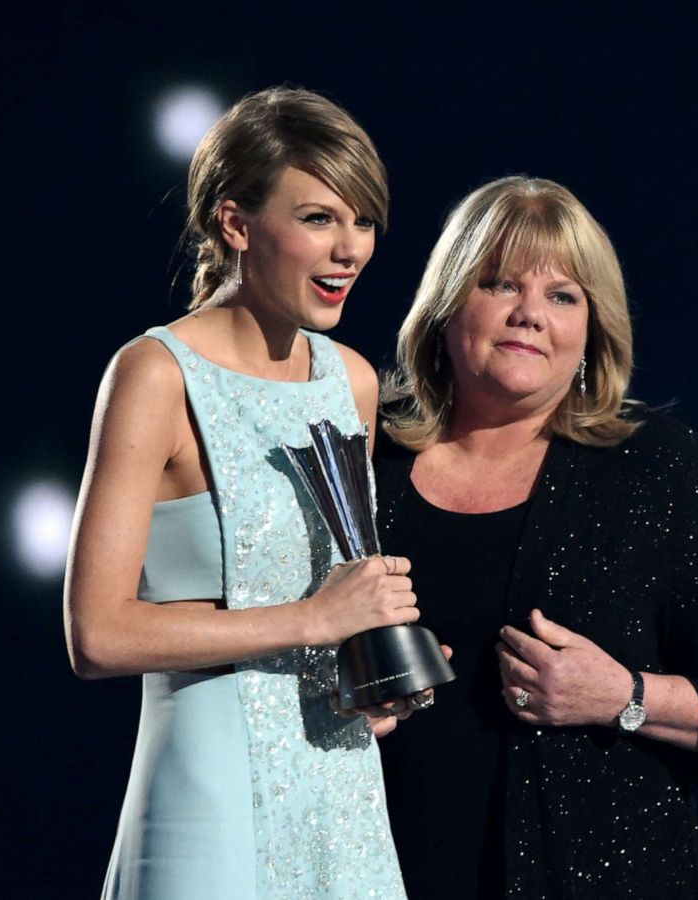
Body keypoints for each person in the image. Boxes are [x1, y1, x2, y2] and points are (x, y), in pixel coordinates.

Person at [375, 175, 698, 898]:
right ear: (447, 307)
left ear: (592, 329)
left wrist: (622, 695)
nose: (529, 316)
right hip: (377, 873)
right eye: (499, 284)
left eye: (562, 296)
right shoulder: (367, 459)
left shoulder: (655, 468)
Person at [64, 87, 427, 899]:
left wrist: (365, 667)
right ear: (235, 224)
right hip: (208, 789)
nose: (350, 250)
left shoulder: (352, 382)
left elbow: (333, 603)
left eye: (362, 221)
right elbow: (96, 632)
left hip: (340, 789)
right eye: (318, 219)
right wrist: (313, 622)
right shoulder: (154, 375)